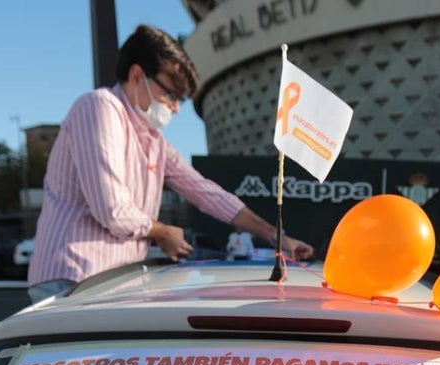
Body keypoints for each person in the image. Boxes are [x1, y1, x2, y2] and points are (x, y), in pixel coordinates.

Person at [27, 25, 312, 303]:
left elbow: (206, 193)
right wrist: (164, 232)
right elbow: (112, 210)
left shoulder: (154, 140)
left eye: (181, 100)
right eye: (171, 94)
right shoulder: (98, 108)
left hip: (111, 284)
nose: (175, 108)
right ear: (137, 75)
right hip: (71, 283)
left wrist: (277, 238)